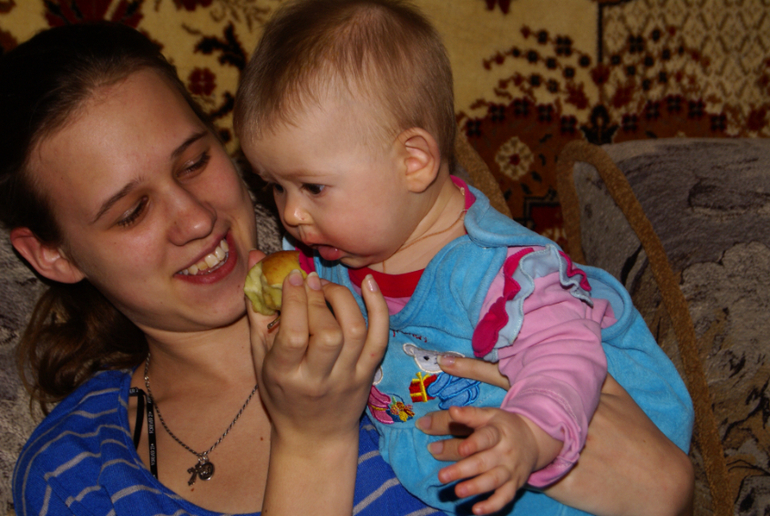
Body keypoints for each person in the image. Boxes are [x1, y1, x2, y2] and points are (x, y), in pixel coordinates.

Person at [1, 20, 692, 516]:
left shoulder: (405, 286)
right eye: (131, 213)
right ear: (50, 254)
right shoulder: (76, 471)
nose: (195, 219)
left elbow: (660, 487)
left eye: (195, 161)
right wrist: (313, 440)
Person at [233, 1, 694, 514]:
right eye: (276, 187)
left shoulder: (503, 273)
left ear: (414, 162)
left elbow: (563, 357)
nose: (291, 214)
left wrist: (529, 434)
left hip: (579, 469)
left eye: (313, 187)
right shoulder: (332, 257)